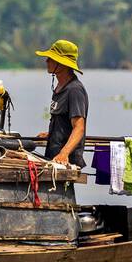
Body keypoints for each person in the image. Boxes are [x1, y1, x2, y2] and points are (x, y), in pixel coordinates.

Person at [34, 39, 88, 168]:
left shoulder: (74, 90)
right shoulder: (59, 87)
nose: (47, 61)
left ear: (62, 64)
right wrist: (52, 133)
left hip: (66, 160)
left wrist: (64, 153)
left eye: (51, 59)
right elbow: (63, 121)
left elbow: (79, 127)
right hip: (53, 155)